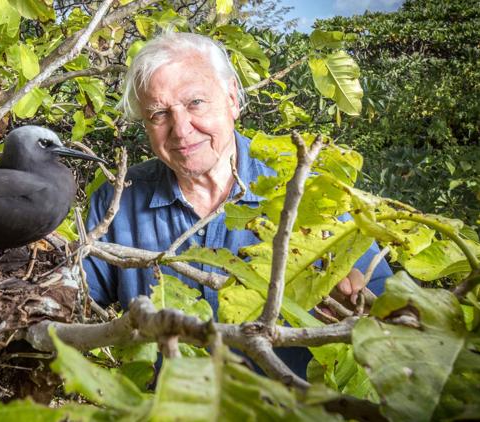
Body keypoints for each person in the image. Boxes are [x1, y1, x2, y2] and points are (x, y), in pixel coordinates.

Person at [82, 32, 393, 378]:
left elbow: (384, 317)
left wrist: (354, 305)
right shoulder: (118, 200)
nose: (181, 130)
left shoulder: (308, 191)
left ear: (232, 98)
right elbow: (73, 299)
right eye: (159, 114)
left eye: (195, 102)